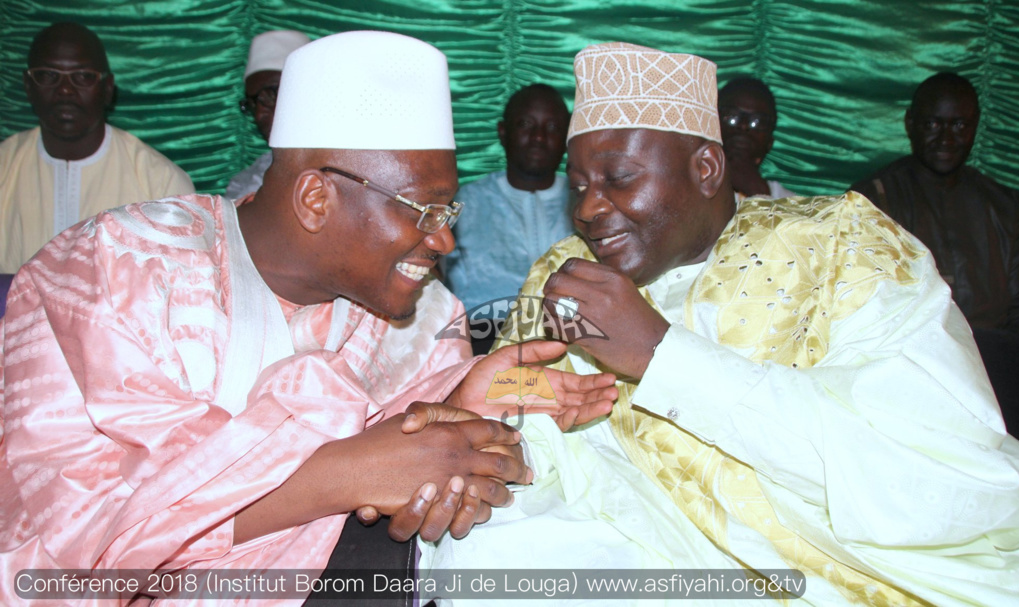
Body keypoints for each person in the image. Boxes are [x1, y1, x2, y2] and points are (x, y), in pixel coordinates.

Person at [0, 31, 616, 604]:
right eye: (425, 211)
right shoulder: (113, 268)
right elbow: (70, 544)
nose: (445, 241)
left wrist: (464, 397)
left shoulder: (424, 312)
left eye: (448, 212)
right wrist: (345, 474)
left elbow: (416, 448)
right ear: (317, 199)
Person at [422, 43, 1019, 606]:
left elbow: (943, 470)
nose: (587, 207)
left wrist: (661, 354)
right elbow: (521, 407)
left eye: (619, 179)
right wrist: (504, 446)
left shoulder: (843, 245)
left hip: (840, 565)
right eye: (579, 184)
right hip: (636, 541)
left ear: (706, 169)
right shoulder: (565, 272)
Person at [851, 72, 1019, 450]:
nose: (946, 138)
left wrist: (1006, 376)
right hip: (913, 375)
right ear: (910, 123)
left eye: (959, 125)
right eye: (933, 124)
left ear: (975, 126)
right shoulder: (873, 201)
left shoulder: (1004, 205)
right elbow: (864, 310)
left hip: (999, 373)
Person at [0, 22, 194, 274]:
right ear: (28, 86)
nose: (65, 90)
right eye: (48, 75)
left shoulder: (163, 186)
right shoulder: (5, 166)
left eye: (83, 76)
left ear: (108, 88)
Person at [441, 84, 573, 354]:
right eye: (526, 124)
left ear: (566, 138)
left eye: (552, 127)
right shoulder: (463, 203)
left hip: (572, 339)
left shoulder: (584, 202)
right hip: (481, 340)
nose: (538, 137)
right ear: (503, 132)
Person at [225, 29, 310, 200]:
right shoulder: (244, 183)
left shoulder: (350, 165)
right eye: (252, 103)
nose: (259, 114)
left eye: (271, 94)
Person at [719, 76, 795, 201]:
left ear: (769, 143)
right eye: (732, 116)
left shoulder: (790, 204)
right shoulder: (688, 188)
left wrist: (757, 191)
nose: (743, 126)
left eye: (757, 122)